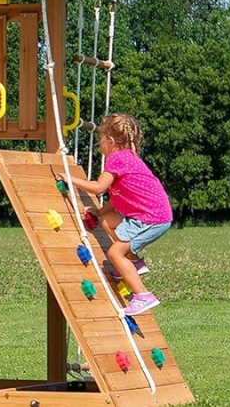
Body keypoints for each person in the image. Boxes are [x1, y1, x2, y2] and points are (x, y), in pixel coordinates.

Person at [57, 113, 172, 317]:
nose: (100, 145)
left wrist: (70, 179)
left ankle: (143, 295)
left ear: (110, 141)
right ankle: (133, 262)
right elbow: (118, 198)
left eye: (101, 140)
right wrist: (99, 212)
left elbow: (99, 188)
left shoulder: (117, 159)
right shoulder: (129, 159)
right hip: (152, 215)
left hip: (150, 218)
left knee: (114, 253)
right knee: (108, 221)